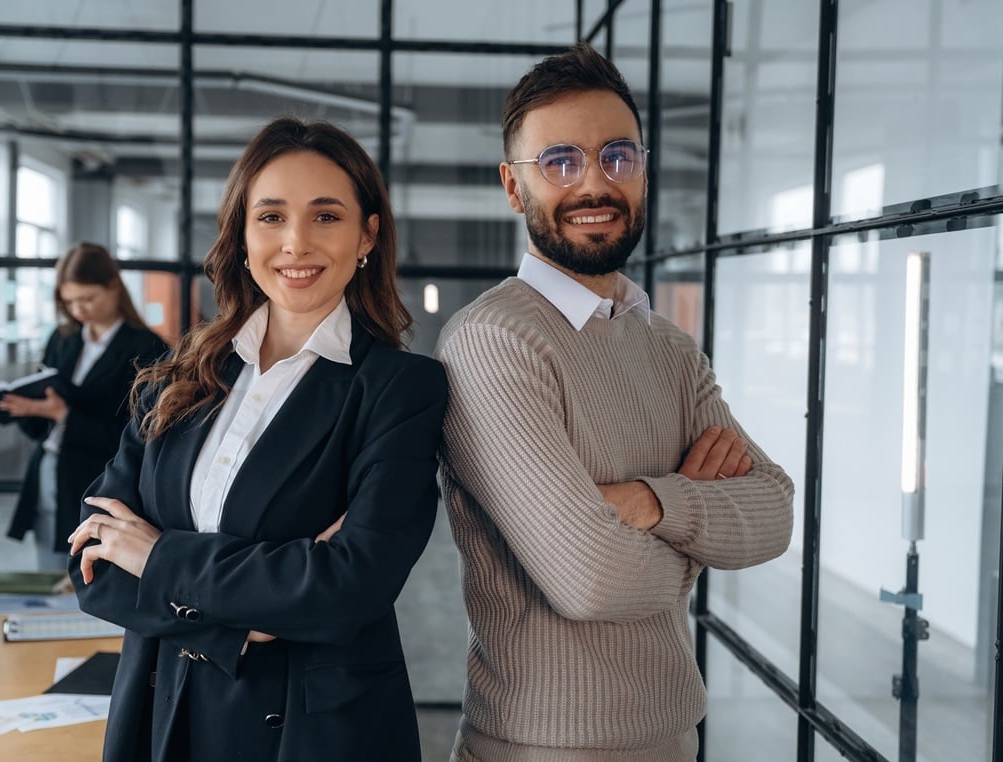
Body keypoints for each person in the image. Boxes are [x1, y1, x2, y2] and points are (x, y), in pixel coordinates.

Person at [436, 43, 795, 761]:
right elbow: (591, 580)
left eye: (617, 156)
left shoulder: (665, 346)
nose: (594, 183)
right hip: (542, 746)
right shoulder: (492, 342)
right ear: (514, 187)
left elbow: (776, 512)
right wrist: (698, 528)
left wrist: (648, 504)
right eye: (560, 162)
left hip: (674, 737)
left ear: (643, 171)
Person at [66, 117, 448, 761]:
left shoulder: (400, 388)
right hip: (161, 715)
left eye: (325, 216)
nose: (296, 242)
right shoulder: (182, 376)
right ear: (242, 236)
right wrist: (245, 624)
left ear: (367, 235)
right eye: (270, 217)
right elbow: (94, 563)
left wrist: (158, 557)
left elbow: (348, 586)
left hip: (304, 734)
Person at [2, 243, 168, 571]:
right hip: (49, 470)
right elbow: (42, 419)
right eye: (70, 302)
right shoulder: (63, 339)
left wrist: (63, 415)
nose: (79, 310)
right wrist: (28, 408)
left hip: (100, 481)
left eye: (87, 299)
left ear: (113, 287)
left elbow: (139, 436)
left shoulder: (147, 347)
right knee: (49, 571)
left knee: (91, 576)